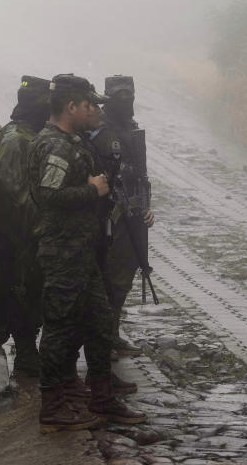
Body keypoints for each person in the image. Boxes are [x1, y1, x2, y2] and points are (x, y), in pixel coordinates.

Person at [29, 74, 146, 432]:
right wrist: (91, 191)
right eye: (90, 104)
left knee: (99, 324)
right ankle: (53, 406)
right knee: (60, 329)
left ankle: (101, 397)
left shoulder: (72, 141)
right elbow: (47, 197)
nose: (96, 110)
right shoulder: (56, 146)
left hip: (83, 251)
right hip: (63, 252)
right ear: (72, 107)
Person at [0, 75, 50, 376]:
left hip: (21, 236)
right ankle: (27, 355)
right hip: (15, 238)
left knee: (29, 294)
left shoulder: (26, 136)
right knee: (22, 294)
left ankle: (28, 353)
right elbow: (14, 194)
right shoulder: (17, 140)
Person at [86, 75, 156, 363]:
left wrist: (146, 207)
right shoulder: (98, 133)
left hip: (134, 216)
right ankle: (102, 340)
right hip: (110, 220)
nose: (126, 99)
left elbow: (140, 175)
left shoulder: (132, 129)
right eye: (119, 94)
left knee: (123, 278)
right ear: (108, 96)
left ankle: (109, 334)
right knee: (110, 282)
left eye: (130, 93)